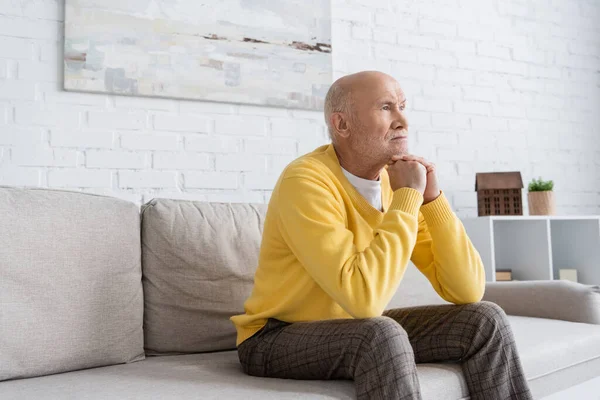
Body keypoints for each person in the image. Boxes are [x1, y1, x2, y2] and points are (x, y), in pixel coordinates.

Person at [230, 71, 533, 400]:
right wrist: (407, 199)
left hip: (352, 328)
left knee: (483, 319)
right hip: (274, 336)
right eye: (386, 107)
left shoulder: (396, 185)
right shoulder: (305, 181)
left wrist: (433, 200)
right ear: (342, 124)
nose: (402, 120)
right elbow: (364, 300)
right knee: (379, 333)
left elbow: (467, 289)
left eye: (403, 106)